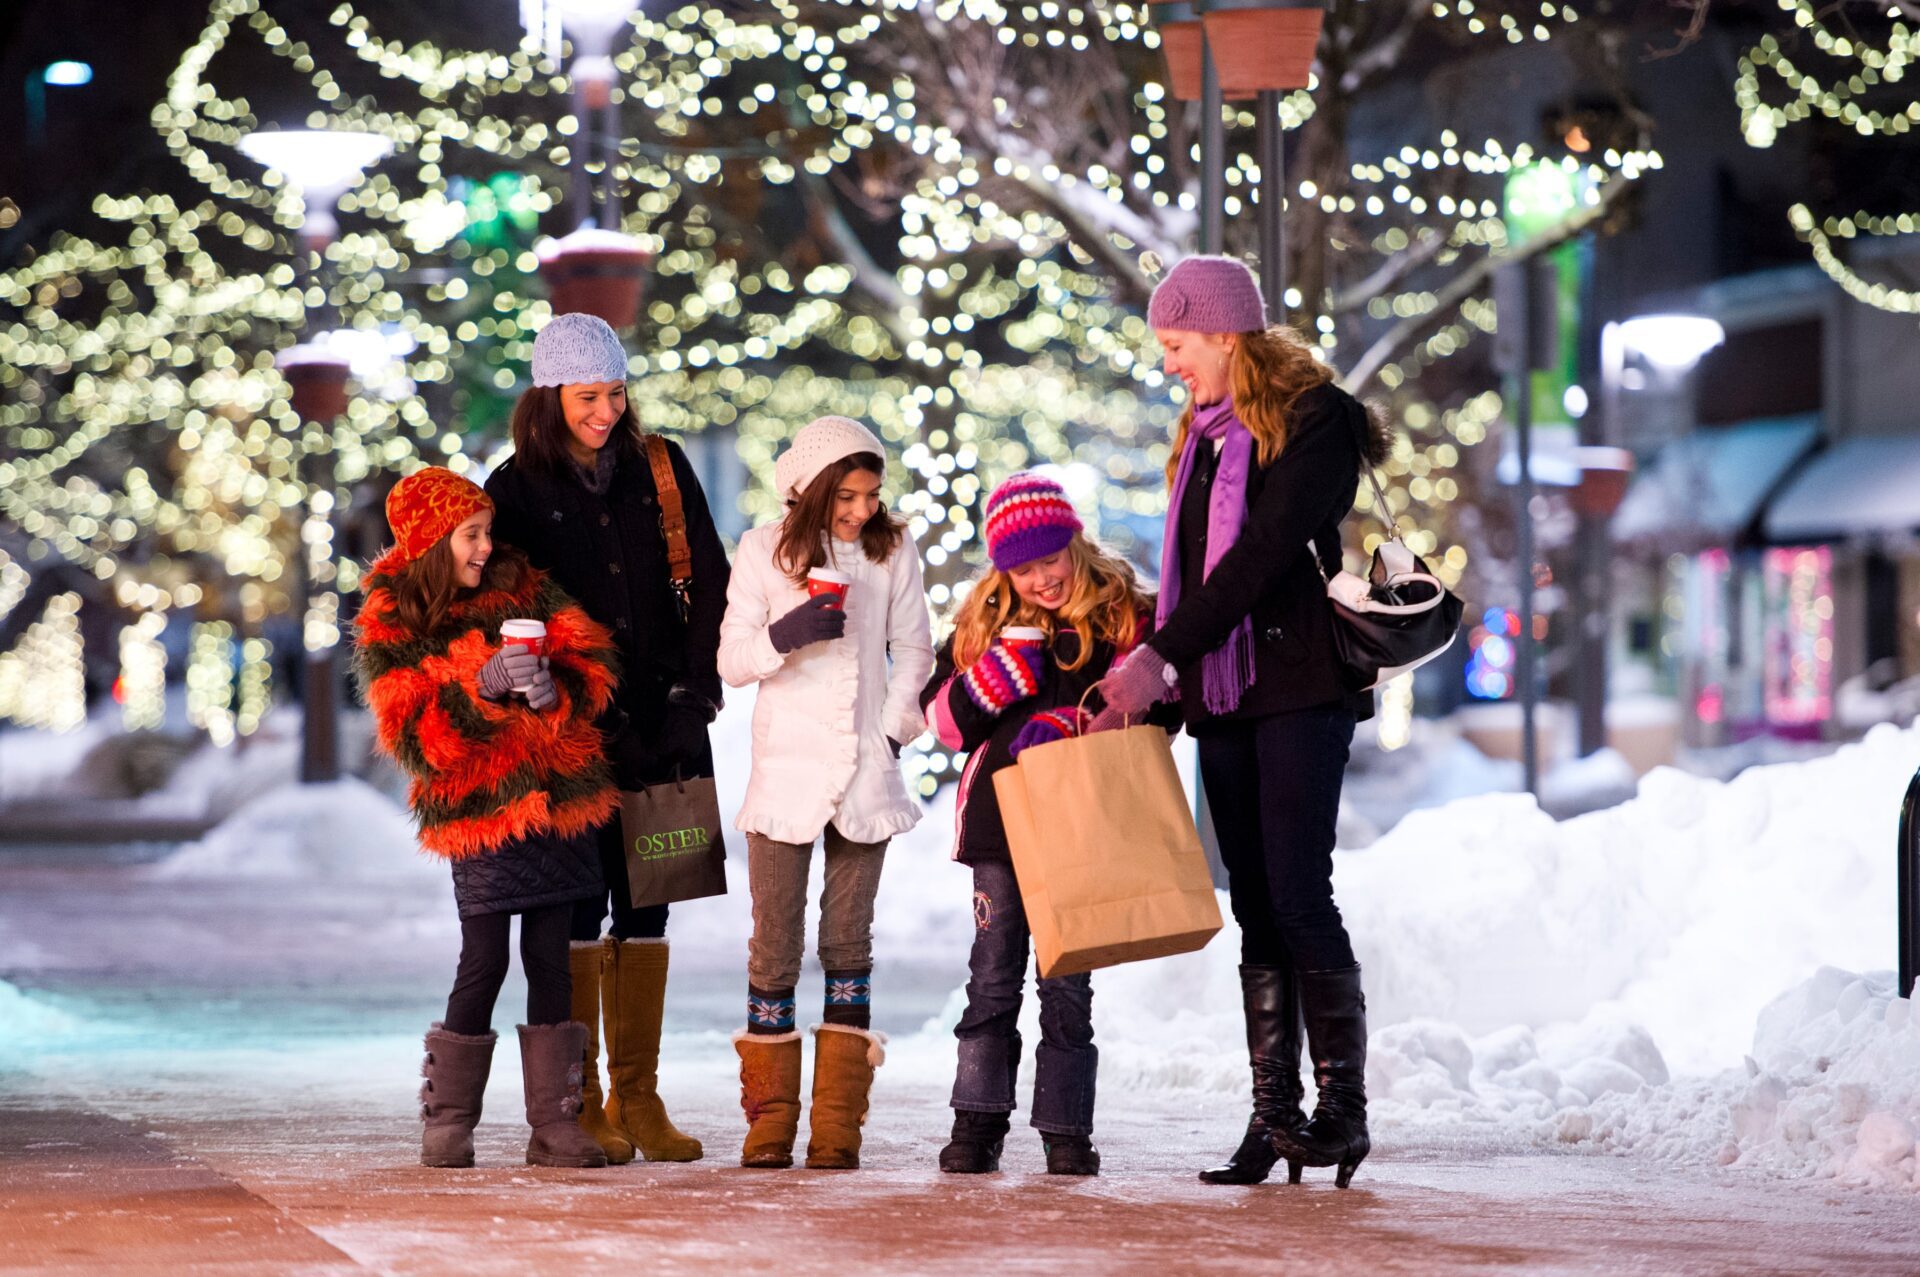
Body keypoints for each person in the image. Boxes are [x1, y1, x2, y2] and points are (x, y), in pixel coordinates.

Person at [1091, 256, 1390, 1189]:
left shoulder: (1317, 421)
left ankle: (1342, 1110)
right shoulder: (1203, 435)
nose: (1170, 364)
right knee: (1256, 903)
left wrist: (1162, 655)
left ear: (1225, 332)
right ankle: (1274, 1114)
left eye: (1177, 346)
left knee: (1299, 892)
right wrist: (1148, 660)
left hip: (1298, 684)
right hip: (1224, 700)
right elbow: (1188, 565)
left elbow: (1260, 557)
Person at [485, 313, 727, 1165]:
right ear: (549, 397)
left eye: (616, 393)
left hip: (670, 727)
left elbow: (711, 576)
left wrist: (696, 693)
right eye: (589, 397)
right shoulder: (512, 491)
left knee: (652, 904)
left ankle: (641, 1095)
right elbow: (514, 617)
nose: (606, 411)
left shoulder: (661, 466)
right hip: (576, 740)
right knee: (581, 910)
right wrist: (596, 714)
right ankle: (578, 1100)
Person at [353, 466, 619, 1170]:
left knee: (552, 959)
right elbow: (414, 736)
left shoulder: (521, 583)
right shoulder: (395, 616)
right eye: (470, 535)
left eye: (486, 532)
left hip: (558, 801)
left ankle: (556, 1123)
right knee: (485, 957)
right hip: (481, 810)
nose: (483, 547)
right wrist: (483, 688)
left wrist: (547, 689)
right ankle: (448, 1118)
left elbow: (589, 664)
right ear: (432, 540)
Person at [920, 472, 1179, 1177]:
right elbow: (941, 720)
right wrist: (995, 676)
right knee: (992, 978)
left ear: (1075, 542)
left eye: (1050, 559)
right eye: (1023, 567)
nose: (1041, 579)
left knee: (1066, 985)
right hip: (1000, 825)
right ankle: (976, 1120)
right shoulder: (984, 619)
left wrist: (1084, 721)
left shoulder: (1127, 613)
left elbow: (1165, 709)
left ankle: (1067, 1128)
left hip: (1084, 826)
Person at [717, 415, 935, 1170]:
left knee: (848, 945)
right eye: (846, 496)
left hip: (865, 770)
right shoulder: (759, 551)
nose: (861, 510)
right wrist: (790, 629)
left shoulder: (891, 550)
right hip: (787, 773)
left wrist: (898, 724)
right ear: (809, 490)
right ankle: (769, 1122)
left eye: (871, 494)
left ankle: (837, 1127)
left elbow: (915, 647)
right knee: (774, 948)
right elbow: (732, 658)